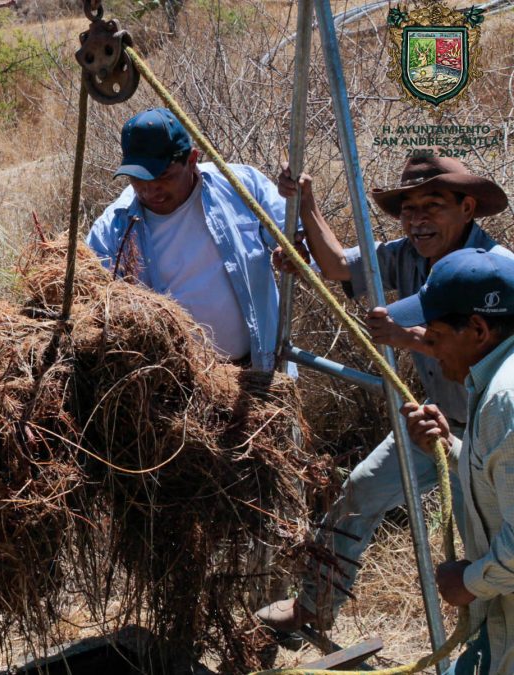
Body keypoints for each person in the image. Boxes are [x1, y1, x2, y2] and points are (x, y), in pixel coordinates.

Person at [256, 153, 512, 634]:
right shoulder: (408, 255)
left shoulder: (496, 273)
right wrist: (307, 203)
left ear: (468, 207)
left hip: (491, 435)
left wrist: (408, 338)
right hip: (434, 426)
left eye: (432, 205)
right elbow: (336, 265)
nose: (417, 220)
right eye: (408, 210)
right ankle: (314, 607)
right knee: (359, 490)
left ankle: (483, 641)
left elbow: (492, 354)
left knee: (489, 551)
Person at [85, 107, 291, 372]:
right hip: (178, 393)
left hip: (261, 370)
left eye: (162, 177)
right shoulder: (114, 227)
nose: (149, 190)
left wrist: (289, 250)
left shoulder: (240, 186)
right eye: (138, 179)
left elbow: (297, 242)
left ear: (192, 159)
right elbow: (91, 301)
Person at [395, 249, 514, 675]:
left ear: (478, 328)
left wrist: (470, 581)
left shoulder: (506, 400)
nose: (427, 347)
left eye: (435, 334)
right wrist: (450, 447)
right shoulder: (498, 380)